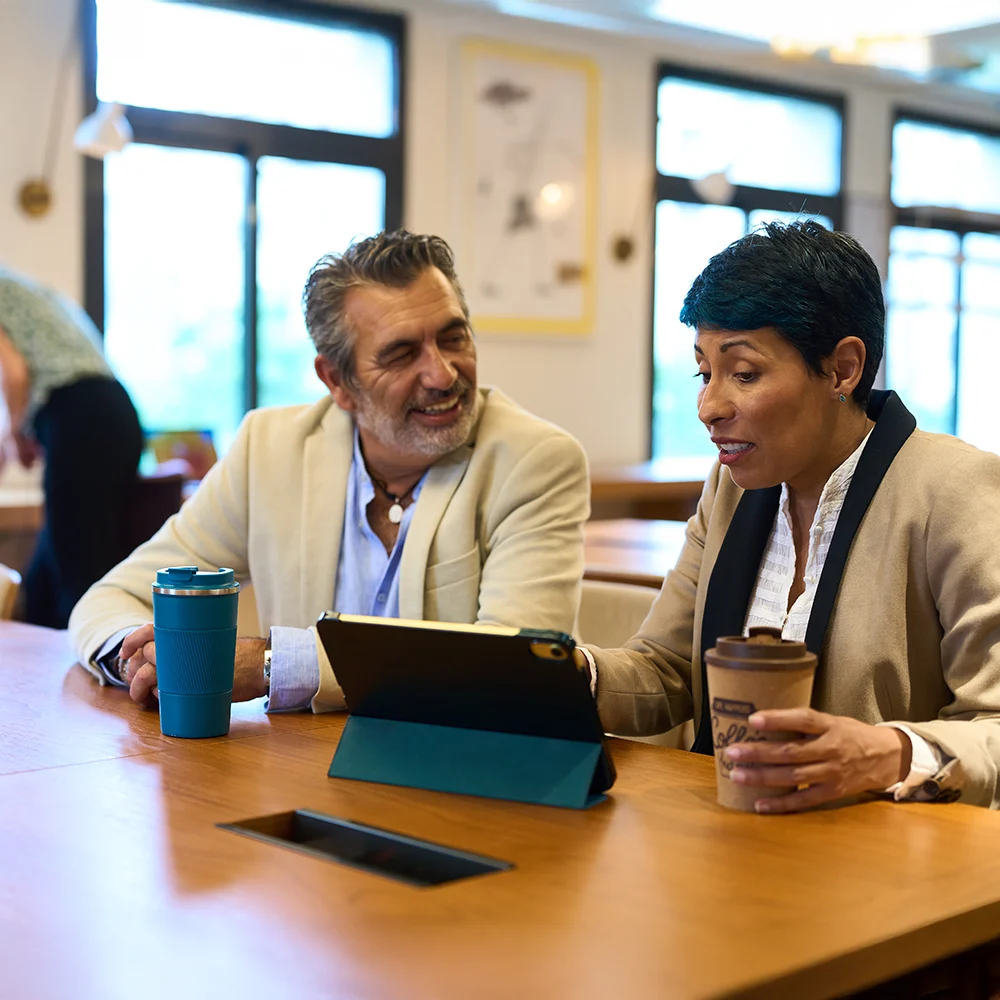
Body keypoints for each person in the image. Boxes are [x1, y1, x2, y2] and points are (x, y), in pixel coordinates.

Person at [69, 230, 589, 712]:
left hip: (467, 776)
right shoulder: (269, 449)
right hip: (301, 771)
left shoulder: (535, 460)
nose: (443, 373)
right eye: (402, 354)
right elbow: (114, 597)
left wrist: (275, 665)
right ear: (336, 380)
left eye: (454, 338)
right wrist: (141, 659)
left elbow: (516, 670)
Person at [582, 221, 1000, 811]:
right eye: (704, 373)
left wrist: (889, 753)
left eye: (744, 374)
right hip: (729, 837)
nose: (708, 406)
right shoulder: (729, 490)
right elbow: (670, 671)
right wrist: (569, 674)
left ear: (842, 369)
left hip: (885, 861)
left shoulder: (951, 490)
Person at [0, 267, 143, 628]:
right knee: (45, 583)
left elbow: (14, 374)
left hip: (80, 416)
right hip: (114, 410)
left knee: (78, 578)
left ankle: (94, 675)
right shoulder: (24, 286)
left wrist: (14, 435)